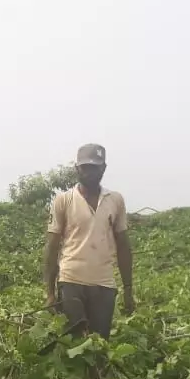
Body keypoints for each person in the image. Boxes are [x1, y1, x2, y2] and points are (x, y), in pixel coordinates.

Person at [44, 143, 135, 338]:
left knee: (99, 344)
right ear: (77, 169)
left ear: (103, 168)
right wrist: (50, 293)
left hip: (104, 284)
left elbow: (123, 246)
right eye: (85, 167)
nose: (90, 173)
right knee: (75, 342)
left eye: (95, 167)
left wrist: (128, 289)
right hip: (71, 281)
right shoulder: (63, 200)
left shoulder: (115, 200)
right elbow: (52, 247)